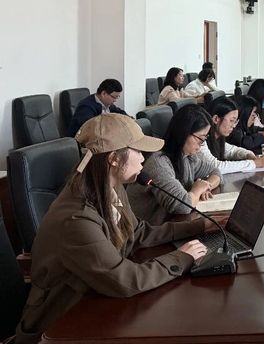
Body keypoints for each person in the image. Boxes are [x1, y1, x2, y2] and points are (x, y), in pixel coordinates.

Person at [14, 114, 209, 344]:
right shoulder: (76, 219)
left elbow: (138, 233)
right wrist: (181, 258)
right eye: (138, 151)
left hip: (91, 303)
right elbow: (124, 280)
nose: (143, 159)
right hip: (58, 326)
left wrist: (199, 226)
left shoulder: (111, 188)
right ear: (114, 159)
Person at [127, 105, 223, 225]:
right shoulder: (158, 163)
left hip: (169, 226)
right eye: (201, 139)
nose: (202, 144)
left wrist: (205, 186)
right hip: (146, 231)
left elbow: (215, 171)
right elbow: (182, 206)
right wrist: (197, 189)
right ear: (184, 133)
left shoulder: (187, 157)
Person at [199, 98, 264, 174]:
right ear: (216, 119)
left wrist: (249, 155)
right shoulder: (200, 140)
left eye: (235, 121)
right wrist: (253, 164)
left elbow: (233, 151)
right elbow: (216, 166)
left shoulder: (218, 138)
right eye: (231, 120)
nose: (234, 126)